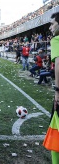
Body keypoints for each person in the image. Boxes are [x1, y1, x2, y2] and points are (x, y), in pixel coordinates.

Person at [48, 12, 59, 164]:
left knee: (55, 131)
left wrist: (57, 91)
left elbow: (58, 64)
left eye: (52, 24)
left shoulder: (56, 40)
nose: (50, 27)